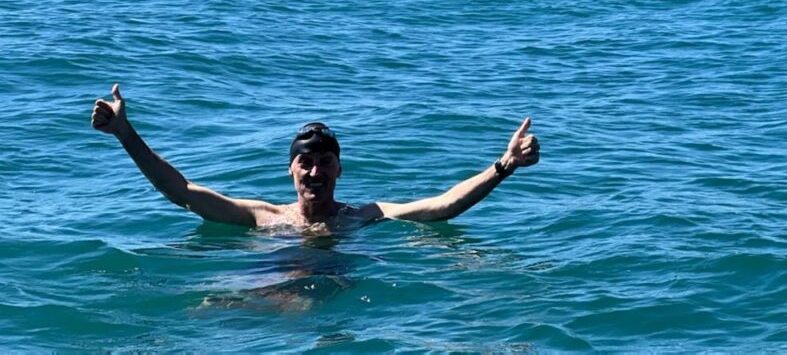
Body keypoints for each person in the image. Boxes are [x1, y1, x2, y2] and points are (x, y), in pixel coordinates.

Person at [91, 84, 540, 229]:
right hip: (270, 287)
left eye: (325, 161)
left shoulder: (367, 215)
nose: (315, 169)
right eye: (306, 161)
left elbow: (444, 206)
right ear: (290, 169)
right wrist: (125, 134)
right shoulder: (265, 219)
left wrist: (503, 166)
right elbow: (182, 192)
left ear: (340, 170)